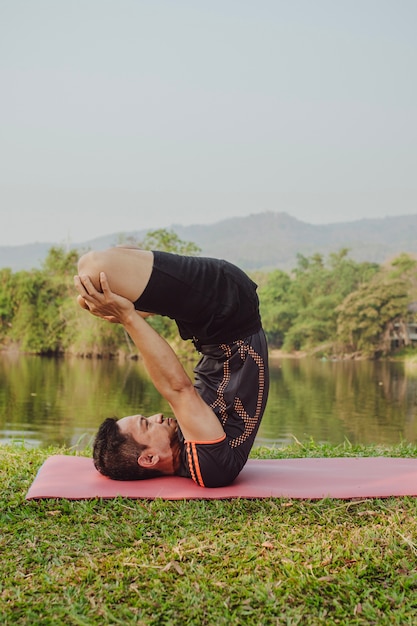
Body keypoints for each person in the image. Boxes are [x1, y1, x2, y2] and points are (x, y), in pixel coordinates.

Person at [74, 247, 269, 488]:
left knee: (88, 298)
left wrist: (132, 313)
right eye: (147, 424)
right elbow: (178, 389)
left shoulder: (189, 450)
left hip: (208, 323)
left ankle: (151, 306)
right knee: (94, 268)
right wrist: (128, 318)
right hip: (227, 307)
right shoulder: (209, 466)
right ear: (149, 458)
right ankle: (146, 307)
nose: (156, 416)